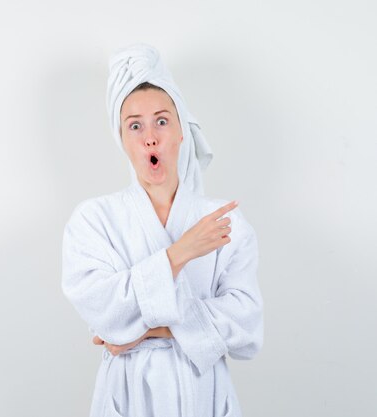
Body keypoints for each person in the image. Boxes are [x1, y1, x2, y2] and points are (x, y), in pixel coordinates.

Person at [61, 43, 264, 417]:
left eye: (162, 120)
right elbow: (102, 310)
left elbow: (248, 327)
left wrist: (145, 330)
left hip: (205, 394)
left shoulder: (225, 221)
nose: (149, 137)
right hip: (128, 396)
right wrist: (181, 252)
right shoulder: (93, 220)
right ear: (122, 139)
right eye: (134, 125)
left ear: (182, 130)